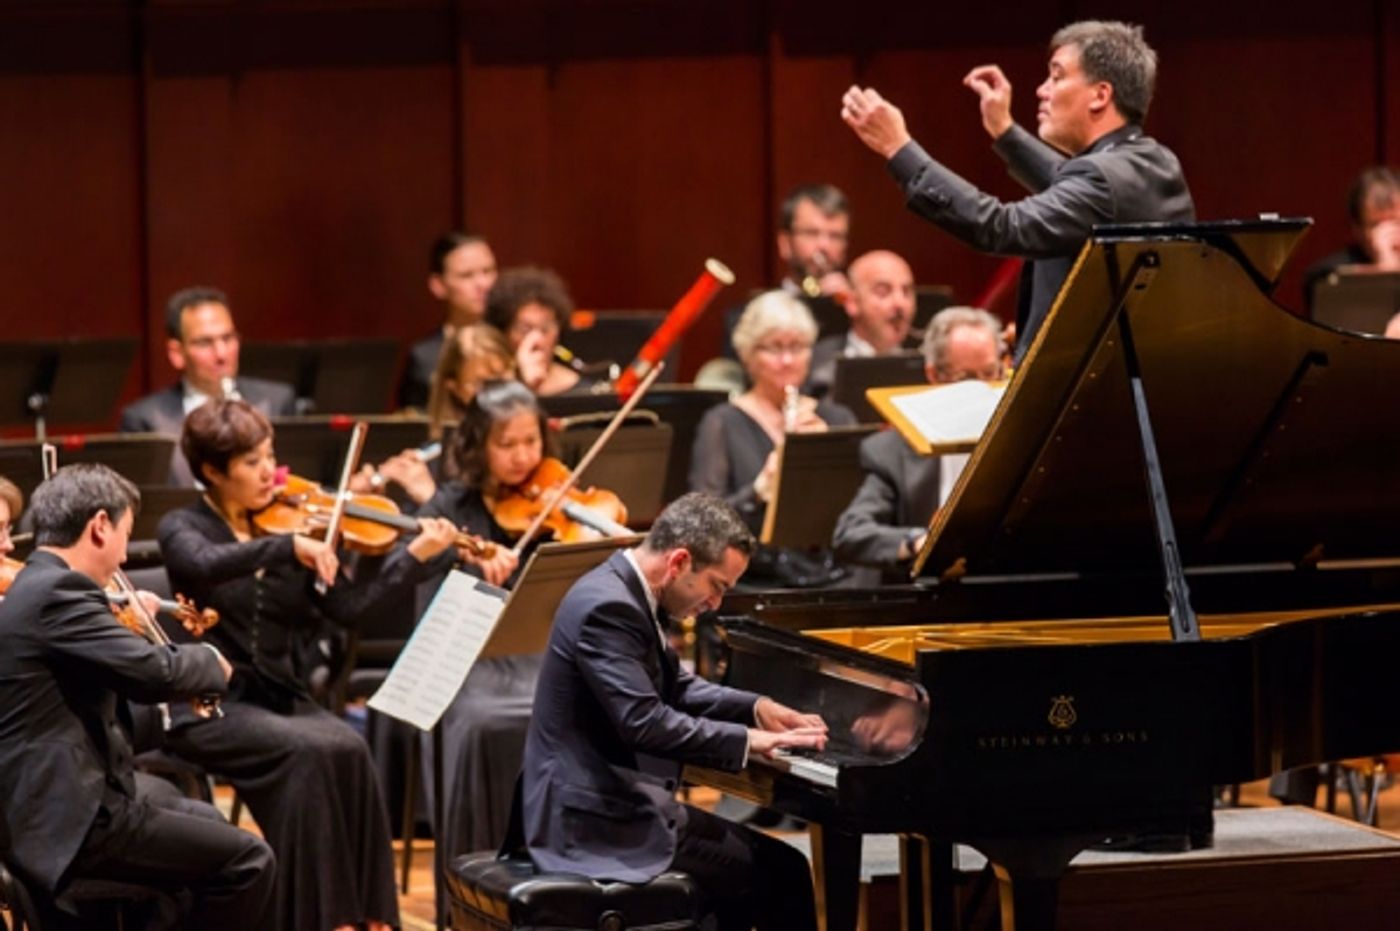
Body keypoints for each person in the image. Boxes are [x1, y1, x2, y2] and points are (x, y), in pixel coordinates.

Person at [156, 399, 462, 931]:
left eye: (270, 457)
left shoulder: (297, 524)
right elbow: (205, 563)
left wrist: (411, 558)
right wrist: (286, 547)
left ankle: (368, 917)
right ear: (213, 471)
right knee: (306, 754)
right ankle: (317, 921)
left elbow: (349, 608)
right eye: (252, 462)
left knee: (349, 746)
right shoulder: (183, 526)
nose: (270, 473)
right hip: (208, 704)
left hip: (280, 697)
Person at [521, 492, 828, 931]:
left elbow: (676, 687)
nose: (716, 604)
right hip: (591, 820)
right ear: (679, 561)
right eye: (717, 586)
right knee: (786, 873)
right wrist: (750, 741)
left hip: (607, 800)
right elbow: (645, 723)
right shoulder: (609, 607)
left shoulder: (625, 589)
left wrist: (757, 709)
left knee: (743, 884)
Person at [0, 464, 274, 929]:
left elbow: (124, 705)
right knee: (249, 860)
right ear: (99, 526)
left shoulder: (39, 586)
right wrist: (211, 660)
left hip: (63, 803)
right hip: (66, 822)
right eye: (126, 534)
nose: (125, 556)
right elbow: (156, 673)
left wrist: (127, 634)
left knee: (202, 828)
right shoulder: (59, 592)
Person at [841, 19, 1195, 361]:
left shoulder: (1103, 179)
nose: (1042, 90)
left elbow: (1000, 226)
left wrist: (899, 149)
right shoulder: (1150, 160)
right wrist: (1004, 130)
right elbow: (1070, 182)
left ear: (1100, 95)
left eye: (1057, 76)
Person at [690, 290, 856, 587]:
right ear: (748, 354)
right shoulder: (721, 422)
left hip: (831, 577)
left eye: (798, 346)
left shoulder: (837, 418)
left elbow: (859, 511)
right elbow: (703, 525)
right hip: (753, 582)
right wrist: (759, 490)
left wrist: (831, 462)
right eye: (774, 348)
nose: (787, 360)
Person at [832, 307, 1005, 578]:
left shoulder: (1021, 437)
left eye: (990, 374)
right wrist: (919, 541)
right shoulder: (890, 451)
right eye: (965, 378)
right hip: (929, 591)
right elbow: (852, 532)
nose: (980, 390)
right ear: (933, 375)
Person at [120, 286, 297, 487]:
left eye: (227, 338)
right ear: (176, 353)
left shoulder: (277, 401)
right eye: (205, 342)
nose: (221, 354)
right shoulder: (144, 420)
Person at [358, 322, 518, 509]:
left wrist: (432, 498)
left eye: (502, 379)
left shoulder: (534, 446)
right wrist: (378, 502)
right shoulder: (436, 458)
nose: (496, 394)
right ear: (455, 388)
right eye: (480, 384)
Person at [398, 232, 500, 410]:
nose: (483, 284)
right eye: (466, 275)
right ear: (438, 285)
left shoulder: (515, 342)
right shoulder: (425, 358)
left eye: (488, 271)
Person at [805, 248, 917, 397]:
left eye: (907, 291)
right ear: (852, 302)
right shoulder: (814, 364)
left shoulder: (929, 362)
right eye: (883, 291)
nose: (900, 303)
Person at [485, 266, 594, 396]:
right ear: (504, 333)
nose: (537, 341)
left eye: (546, 329)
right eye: (525, 330)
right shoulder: (489, 390)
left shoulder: (585, 392)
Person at [1303, 167, 1400, 312]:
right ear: (1357, 229)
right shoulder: (1328, 274)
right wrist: (1386, 267)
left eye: (1396, 222)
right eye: (1376, 225)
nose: (1388, 234)